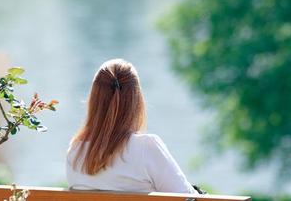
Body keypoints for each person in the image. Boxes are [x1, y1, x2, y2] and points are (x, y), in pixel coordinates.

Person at [65, 58, 194, 193]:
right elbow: (187, 197)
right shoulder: (146, 147)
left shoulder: (75, 152)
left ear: (94, 100)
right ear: (136, 100)